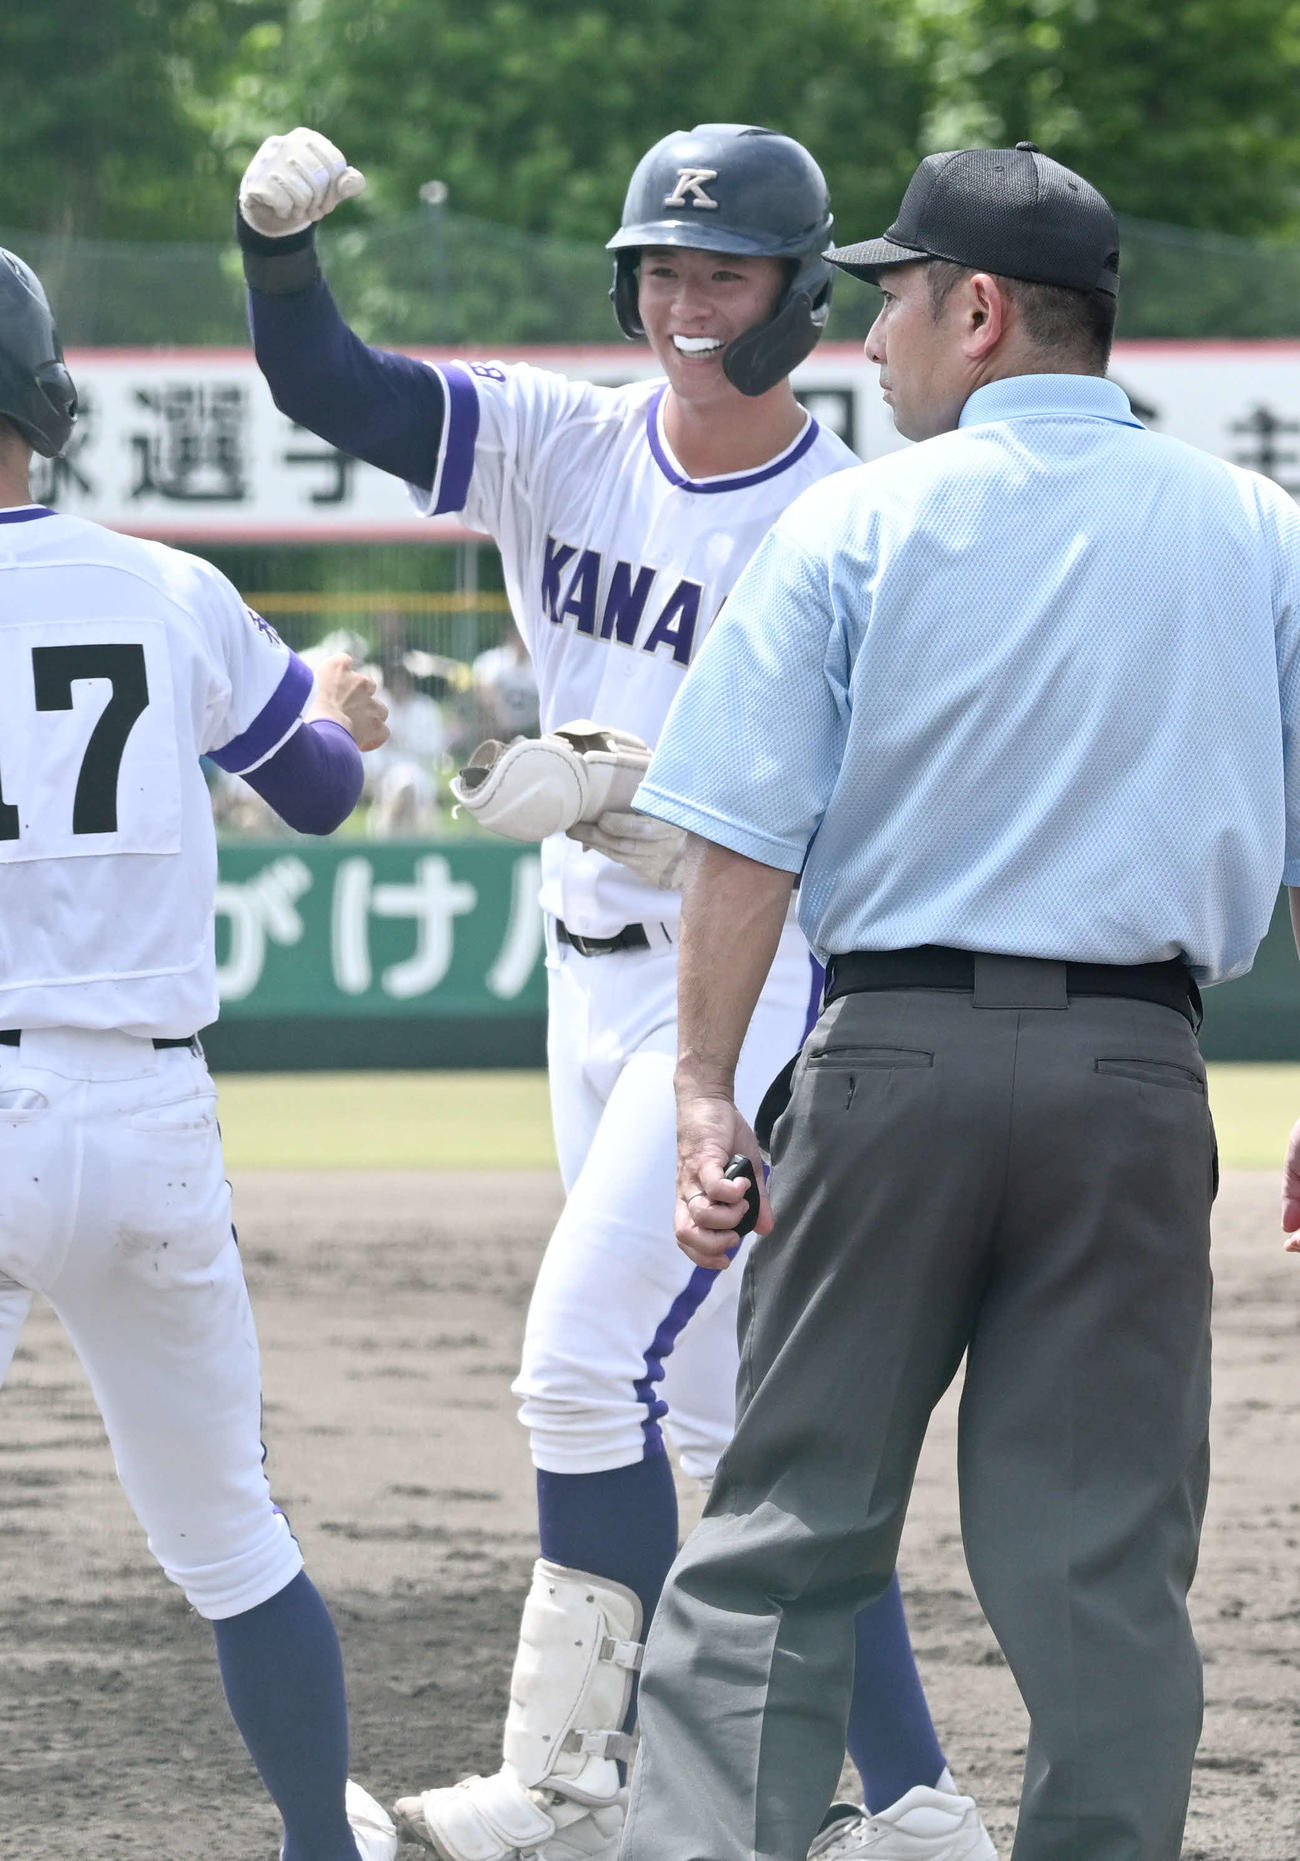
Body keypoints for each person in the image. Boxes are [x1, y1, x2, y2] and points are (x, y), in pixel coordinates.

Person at [235, 126, 996, 1861]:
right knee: (732, 1425)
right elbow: (331, 386)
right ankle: (918, 1807)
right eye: (659, 268)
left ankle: (577, 1779)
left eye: (722, 273)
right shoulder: (563, 437)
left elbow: (898, 800)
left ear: (799, 298)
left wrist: (673, 808)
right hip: (585, 987)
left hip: (749, 996)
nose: (683, 302)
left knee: (582, 1371)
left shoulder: (850, 518)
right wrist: (279, 258)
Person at [617, 142, 1300, 1861]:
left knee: (784, 1537)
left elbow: (744, 842)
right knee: (1102, 1568)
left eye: (895, 298)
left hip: (893, 1068)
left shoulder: (853, 519)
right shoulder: (1260, 532)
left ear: (979, 312)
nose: (871, 338)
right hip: (1138, 1079)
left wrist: (702, 1087)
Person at [0, 246, 399, 1861]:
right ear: (45, 396)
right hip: (146, 1108)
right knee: (231, 1538)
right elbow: (315, 791)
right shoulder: (167, 588)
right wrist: (339, 714)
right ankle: (320, 1844)